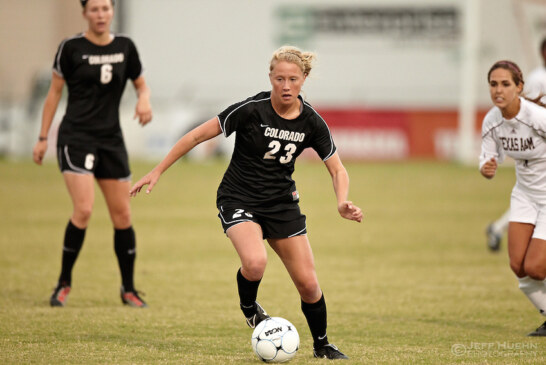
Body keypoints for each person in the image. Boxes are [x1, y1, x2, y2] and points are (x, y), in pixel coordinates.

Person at [130, 46, 362, 359]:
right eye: (279, 78)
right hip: (238, 196)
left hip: (281, 204)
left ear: (304, 79)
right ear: (270, 77)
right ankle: (249, 307)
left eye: (293, 79)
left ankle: (322, 345)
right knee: (255, 262)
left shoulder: (312, 123)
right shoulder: (252, 109)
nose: (285, 85)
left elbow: (337, 168)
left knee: (308, 284)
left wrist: (342, 201)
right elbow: (197, 136)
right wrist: (157, 170)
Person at [32, 0, 152, 308]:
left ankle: (128, 289)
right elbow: (54, 93)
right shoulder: (70, 47)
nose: (101, 14)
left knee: (123, 214)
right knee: (84, 210)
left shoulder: (126, 46)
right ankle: (63, 284)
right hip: (76, 138)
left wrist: (143, 101)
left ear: (113, 11)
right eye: (95, 9)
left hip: (110, 140)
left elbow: (141, 84)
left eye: (106, 8)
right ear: (84, 12)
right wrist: (43, 137)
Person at [480, 60, 546, 336]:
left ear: (519, 87)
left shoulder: (537, 117)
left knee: (536, 267)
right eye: (493, 84)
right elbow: (486, 159)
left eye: (506, 84)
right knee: (519, 267)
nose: (499, 90)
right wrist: (486, 167)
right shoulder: (492, 121)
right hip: (524, 195)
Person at [485, 38, 546, 252]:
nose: (499, 89)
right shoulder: (539, 77)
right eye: (494, 84)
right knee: (529, 196)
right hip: (535, 148)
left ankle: (497, 228)